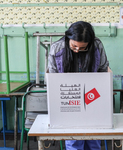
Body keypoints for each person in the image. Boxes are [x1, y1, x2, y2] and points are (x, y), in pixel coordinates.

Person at [48, 21, 110, 150]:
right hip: (69, 97)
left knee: (94, 140)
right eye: (74, 46)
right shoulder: (56, 48)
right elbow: (52, 80)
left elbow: (103, 70)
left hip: (92, 95)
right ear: (68, 38)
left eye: (82, 48)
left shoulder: (96, 45)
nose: (77, 51)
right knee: (74, 141)